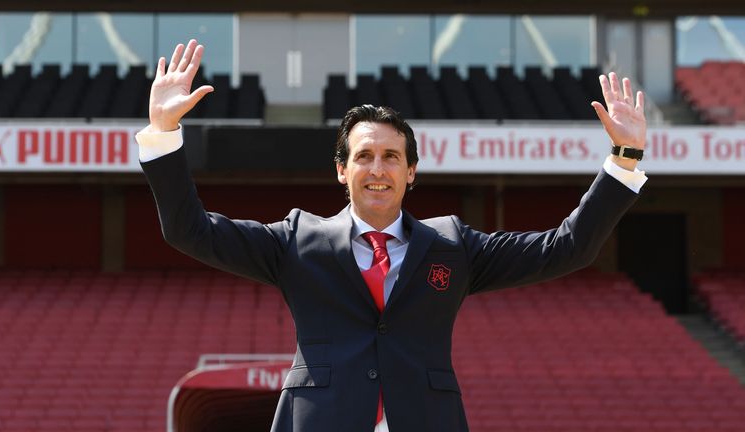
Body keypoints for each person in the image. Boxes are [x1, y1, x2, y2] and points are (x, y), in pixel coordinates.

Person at [137, 40, 648, 432]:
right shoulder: (295, 240)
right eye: (363, 156)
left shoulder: (453, 245)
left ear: (411, 173)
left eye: (390, 157)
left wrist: (623, 160)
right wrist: (162, 135)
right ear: (342, 170)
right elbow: (190, 231)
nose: (376, 169)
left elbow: (567, 247)